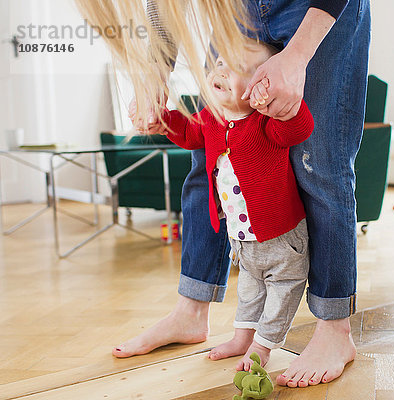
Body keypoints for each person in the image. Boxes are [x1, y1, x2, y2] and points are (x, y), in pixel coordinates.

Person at [76, 0, 370, 387]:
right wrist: (156, 79)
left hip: (317, 9)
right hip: (237, 12)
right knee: (207, 159)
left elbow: (294, 129)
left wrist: (297, 56)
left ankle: (335, 331)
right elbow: (163, 11)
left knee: (322, 165)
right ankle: (191, 311)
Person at [161, 40, 314, 371]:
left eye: (237, 68)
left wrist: (288, 104)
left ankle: (264, 346)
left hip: (282, 240)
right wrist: (160, 117)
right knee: (249, 292)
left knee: (280, 296)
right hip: (241, 240)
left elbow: (299, 128)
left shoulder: (265, 121)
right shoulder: (212, 118)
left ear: (264, 84)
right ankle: (243, 337)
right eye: (219, 64)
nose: (221, 71)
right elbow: (187, 133)